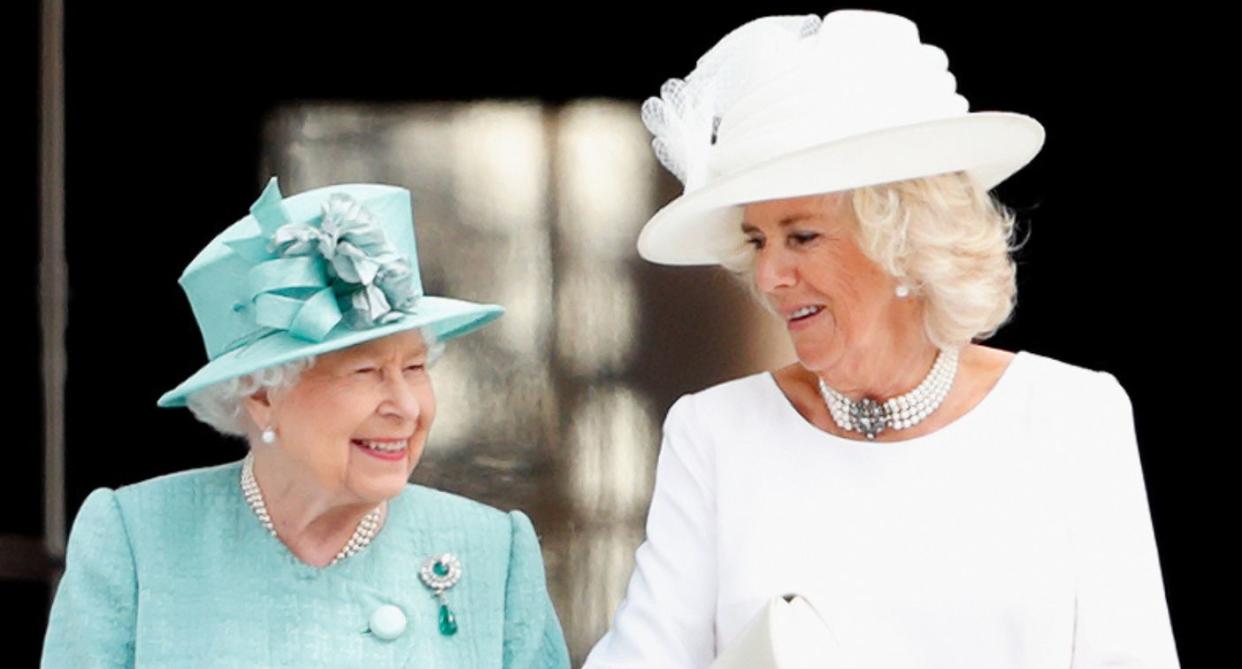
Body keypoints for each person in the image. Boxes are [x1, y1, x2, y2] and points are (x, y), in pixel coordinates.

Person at [585, 9, 1179, 668]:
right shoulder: (714, 433)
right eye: (757, 241)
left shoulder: (1074, 415)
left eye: (801, 235)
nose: (770, 275)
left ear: (905, 239)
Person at [42, 178, 571, 668]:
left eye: (414, 368)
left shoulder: (492, 551)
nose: (406, 407)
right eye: (365, 372)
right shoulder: (136, 538)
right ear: (263, 395)